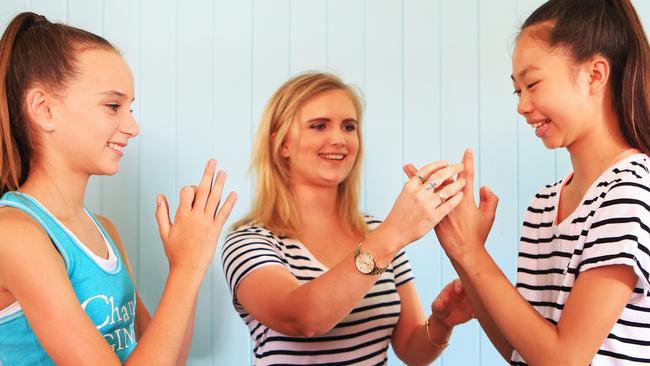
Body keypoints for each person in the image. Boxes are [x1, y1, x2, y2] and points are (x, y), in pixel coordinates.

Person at [404, 0, 650, 364]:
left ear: (595, 75)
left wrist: (473, 253)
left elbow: (564, 359)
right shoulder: (544, 205)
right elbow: (521, 350)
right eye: (518, 91)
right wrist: (462, 252)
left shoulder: (630, 191)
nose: (522, 105)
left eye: (533, 83)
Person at [0, 12, 237, 365]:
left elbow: (168, 359)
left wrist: (185, 267)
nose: (132, 126)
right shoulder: (14, 235)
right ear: (44, 108)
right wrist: (187, 270)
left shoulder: (104, 231)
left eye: (130, 108)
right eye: (113, 106)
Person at [221, 72, 474, 365]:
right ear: (283, 144)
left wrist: (442, 322)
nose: (339, 139)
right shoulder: (249, 241)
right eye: (319, 126)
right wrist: (394, 232)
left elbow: (412, 351)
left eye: (349, 127)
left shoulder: (377, 231)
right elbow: (303, 319)